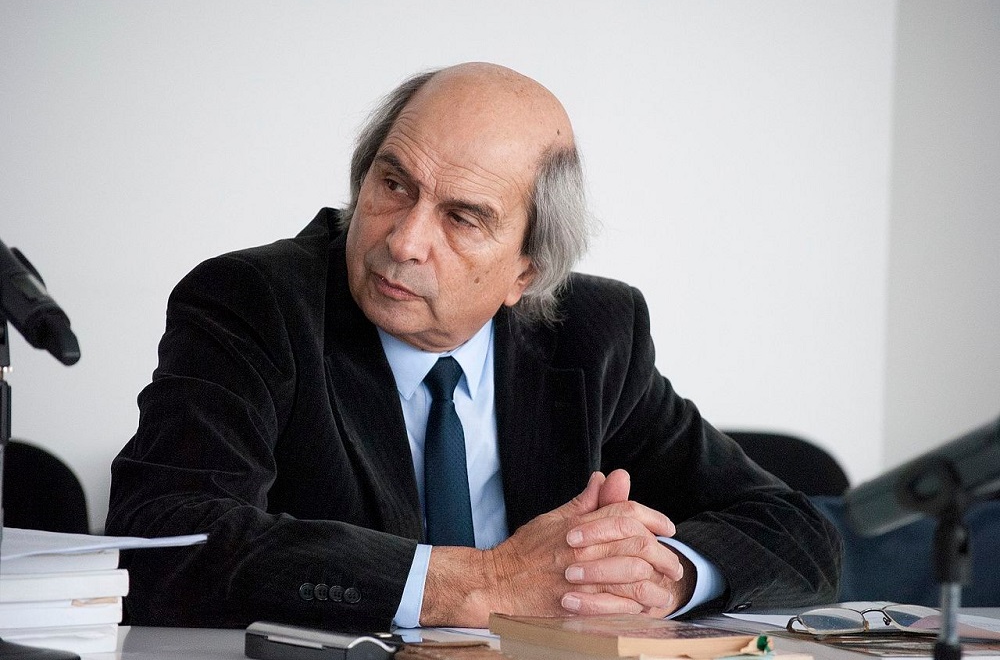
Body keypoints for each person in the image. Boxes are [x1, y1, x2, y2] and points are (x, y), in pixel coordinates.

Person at [106, 62, 840, 630]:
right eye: (393, 184)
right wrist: (476, 584)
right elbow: (162, 539)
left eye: (462, 218)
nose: (404, 240)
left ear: (528, 271)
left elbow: (796, 529)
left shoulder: (593, 332)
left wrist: (663, 574)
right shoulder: (255, 302)